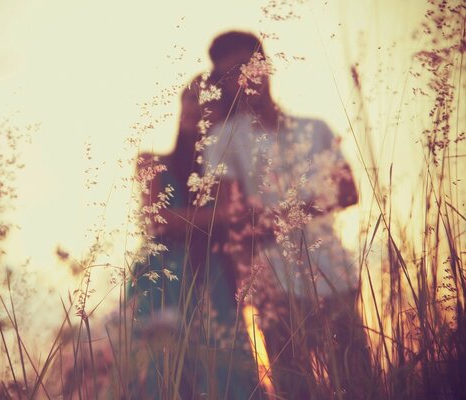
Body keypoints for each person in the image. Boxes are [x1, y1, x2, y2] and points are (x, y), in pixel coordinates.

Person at [197, 31, 373, 399]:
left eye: (249, 66)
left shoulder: (315, 128)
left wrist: (278, 214)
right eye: (231, 75)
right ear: (223, 85)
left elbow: (348, 192)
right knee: (295, 387)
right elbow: (234, 215)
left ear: (267, 66)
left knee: (360, 382)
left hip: (334, 272)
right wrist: (305, 205)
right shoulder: (223, 139)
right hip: (274, 285)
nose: (245, 79)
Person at [126, 72, 262, 398]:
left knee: (225, 369)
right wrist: (218, 218)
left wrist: (196, 219)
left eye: (209, 103)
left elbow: (238, 217)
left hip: (214, 273)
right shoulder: (151, 161)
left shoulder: (226, 171)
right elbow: (156, 220)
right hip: (162, 276)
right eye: (191, 99)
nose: (198, 107)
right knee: (161, 370)